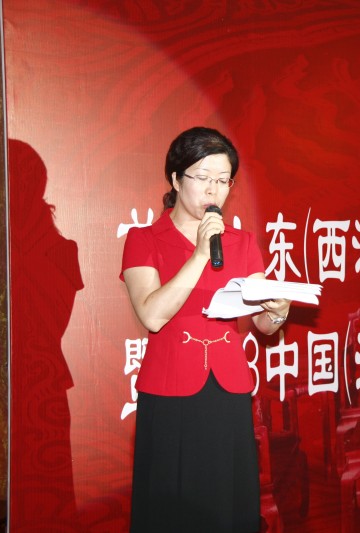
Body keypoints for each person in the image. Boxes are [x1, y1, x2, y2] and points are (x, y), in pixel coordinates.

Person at [120, 126, 290, 532]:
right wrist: (199, 254)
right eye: (203, 177)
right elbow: (152, 315)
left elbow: (263, 324)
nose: (213, 190)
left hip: (227, 391)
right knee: (173, 508)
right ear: (176, 179)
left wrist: (278, 312)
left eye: (223, 180)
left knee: (228, 504)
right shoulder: (144, 239)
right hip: (170, 392)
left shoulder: (243, 243)